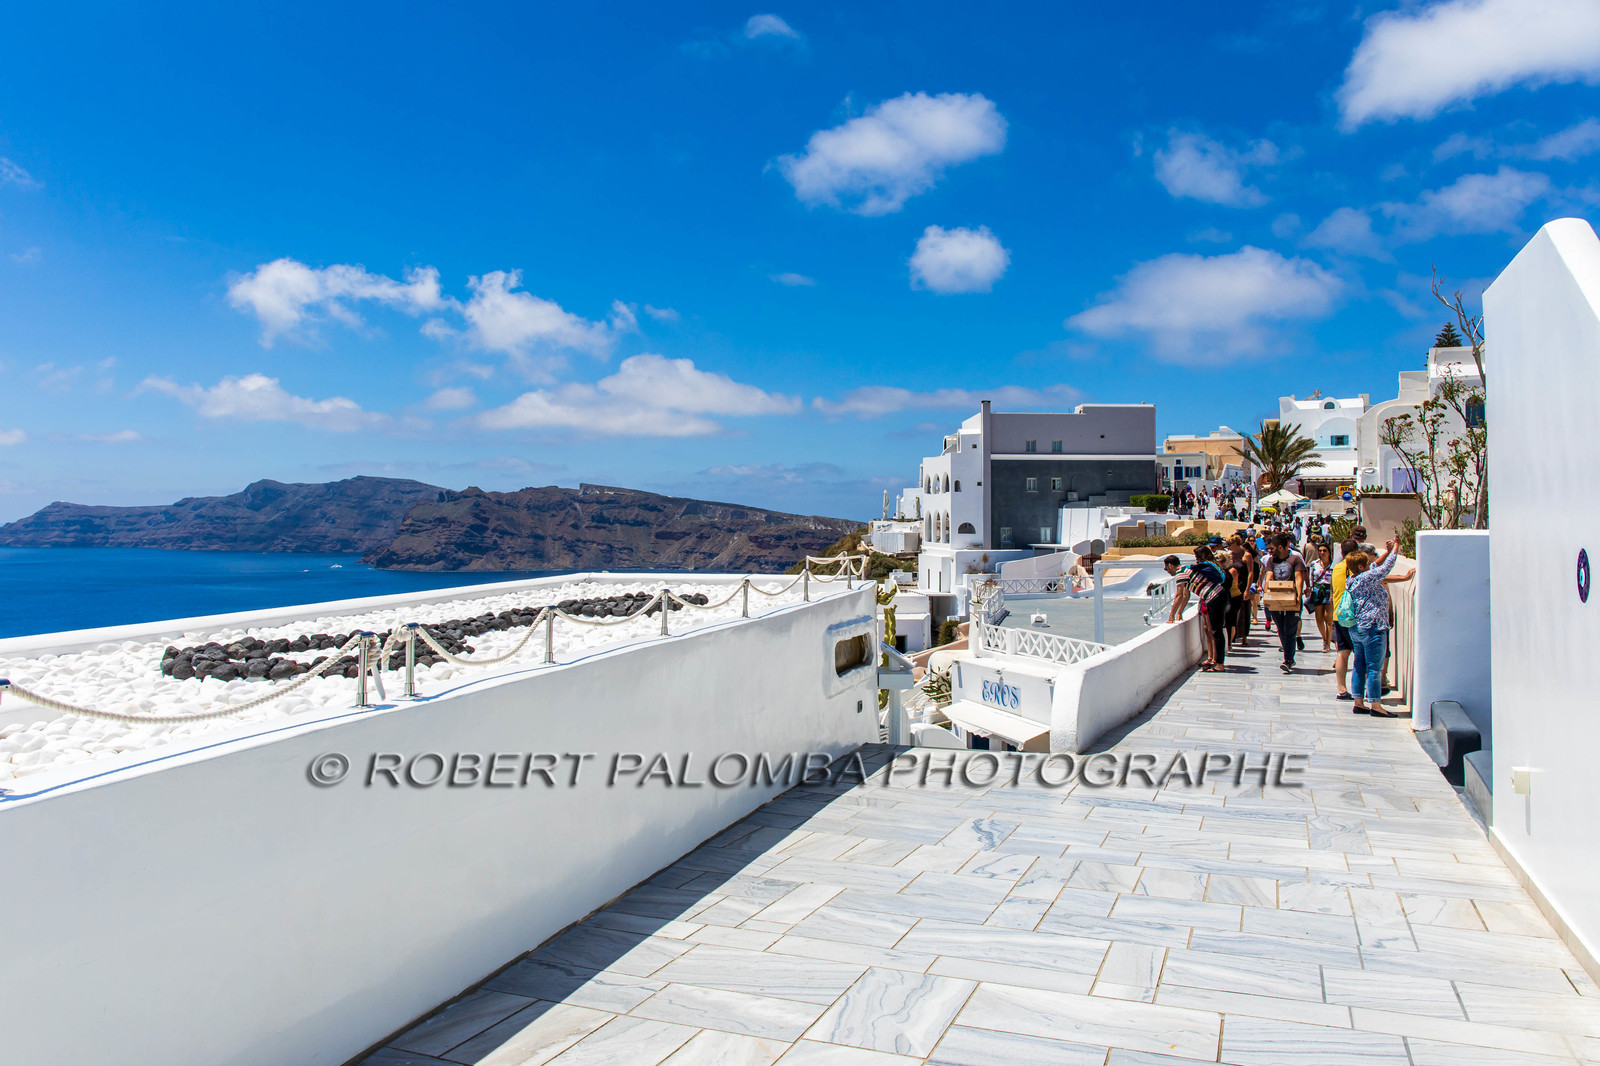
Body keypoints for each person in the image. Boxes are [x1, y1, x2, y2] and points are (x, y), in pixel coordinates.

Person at [1342, 539, 1402, 716]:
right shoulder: (1367, 577)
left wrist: (1387, 551)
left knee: (1359, 665)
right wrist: (1396, 549)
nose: (1370, 564)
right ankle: (1376, 705)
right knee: (1374, 668)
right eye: (1366, 563)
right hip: (1372, 628)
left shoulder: (1352, 578)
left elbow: (1375, 565)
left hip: (1357, 628)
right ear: (1361, 566)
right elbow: (1385, 568)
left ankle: (1359, 702)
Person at [1165, 549, 1229, 671]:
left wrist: (1171, 615)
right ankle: (1216, 660)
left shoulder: (1180, 573)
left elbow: (1179, 595)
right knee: (1215, 631)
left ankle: (1219, 664)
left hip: (1215, 597)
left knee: (1216, 631)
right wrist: (1179, 613)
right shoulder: (1186, 570)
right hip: (1217, 597)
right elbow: (1186, 595)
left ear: (1170, 565)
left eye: (1166, 569)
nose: (1167, 571)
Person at [1261, 532, 1307, 672]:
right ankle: (1288, 655)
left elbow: (1299, 578)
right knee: (1281, 628)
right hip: (1276, 598)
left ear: (1280, 547)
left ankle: (1288, 659)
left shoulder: (1295, 559)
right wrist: (1267, 592)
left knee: (1290, 629)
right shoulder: (1271, 561)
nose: (1270, 550)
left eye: (1273, 548)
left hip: (1291, 597)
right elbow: (1269, 576)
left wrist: (1299, 596)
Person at [1330, 536, 1358, 699]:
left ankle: (1341, 689)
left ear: (1341, 551)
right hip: (1355, 616)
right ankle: (1361, 689)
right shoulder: (1358, 568)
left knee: (1342, 652)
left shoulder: (1337, 568)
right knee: (1360, 653)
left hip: (1339, 615)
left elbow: (1334, 591)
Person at [1307, 541, 1335, 651]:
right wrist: (1310, 589)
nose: (1322, 552)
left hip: (1329, 590)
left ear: (1329, 552)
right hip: (1318, 590)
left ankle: (1327, 643)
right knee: (1319, 618)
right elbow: (1311, 578)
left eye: (1324, 551)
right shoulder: (1315, 564)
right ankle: (1324, 638)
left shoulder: (1333, 565)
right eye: (1320, 551)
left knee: (1328, 618)